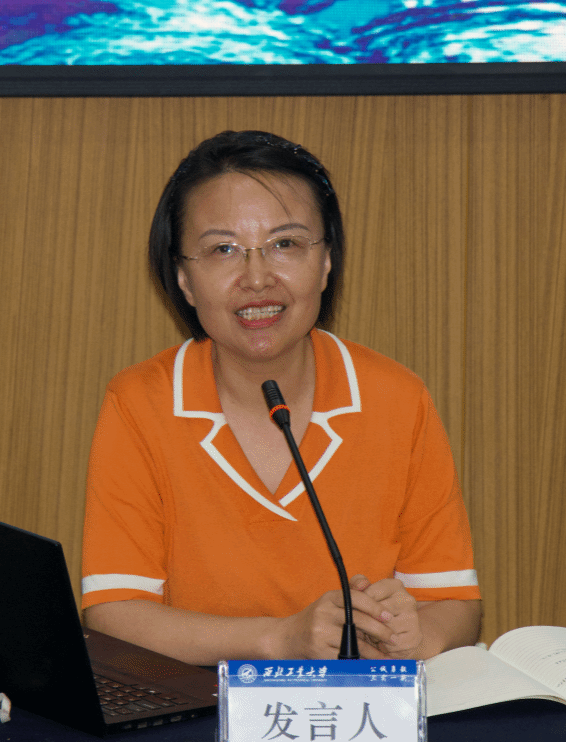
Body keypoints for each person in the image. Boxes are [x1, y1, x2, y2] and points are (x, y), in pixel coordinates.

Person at [81, 130, 480, 665]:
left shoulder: (396, 398)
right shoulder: (139, 403)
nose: (257, 279)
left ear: (327, 260)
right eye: (223, 250)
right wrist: (277, 639)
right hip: (202, 702)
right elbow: (114, 611)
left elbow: (452, 600)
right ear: (184, 279)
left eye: (285, 244)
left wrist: (415, 637)